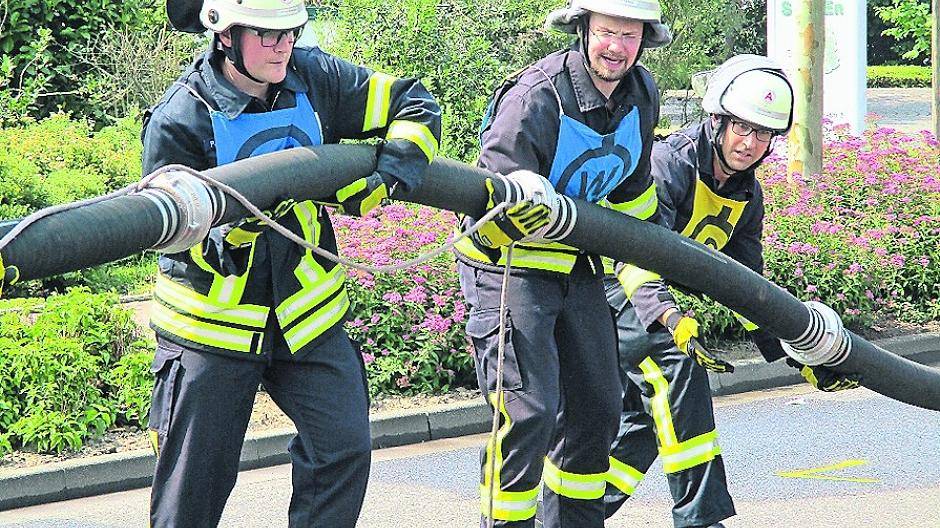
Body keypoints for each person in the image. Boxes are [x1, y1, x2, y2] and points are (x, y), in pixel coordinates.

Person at [142, 0, 441, 526]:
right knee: (193, 491)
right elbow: (164, 233)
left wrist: (392, 171)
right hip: (213, 331)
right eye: (266, 34)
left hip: (308, 317)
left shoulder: (316, 77)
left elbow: (413, 102)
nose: (283, 45)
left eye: (291, 31)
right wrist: (225, 233)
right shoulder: (181, 117)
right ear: (224, 35)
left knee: (344, 450)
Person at [602, 54, 859, 528]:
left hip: (652, 305)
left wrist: (794, 353)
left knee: (638, 432)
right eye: (741, 128)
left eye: (763, 134)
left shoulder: (745, 191)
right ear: (717, 122)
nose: (750, 143)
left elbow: (746, 286)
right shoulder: (668, 165)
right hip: (616, 290)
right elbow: (636, 255)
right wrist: (671, 318)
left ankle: (564, 519)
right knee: (680, 376)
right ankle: (700, 521)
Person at [453, 1, 671, 526]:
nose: (616, 46)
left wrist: (655, 298)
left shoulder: (641, 97)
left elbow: (635, 207)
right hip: (508, 268)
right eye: (606, 33)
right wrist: (531, 205)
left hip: (578, 268)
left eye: (629, 35)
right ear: (583, 31)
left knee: (599, 409)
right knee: (529, 412)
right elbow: (492, 203)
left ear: (645, 39)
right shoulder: (536, 99)